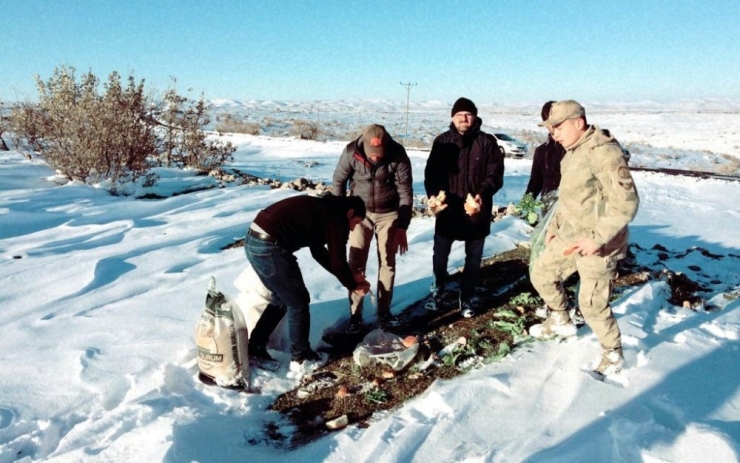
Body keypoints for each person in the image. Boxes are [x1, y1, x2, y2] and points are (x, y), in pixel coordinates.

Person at [528, 100, 639, 376]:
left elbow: (626, 203)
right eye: (551, 129)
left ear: (579, 122)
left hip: (598, 245)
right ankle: (560, 319)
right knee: (541, 273)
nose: (554, 133)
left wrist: (598, 239)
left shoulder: (604, 153)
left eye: (558, 126)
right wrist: (554, 225)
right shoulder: (573, 153)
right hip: (570, 236)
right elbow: (569, 199)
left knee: (591, 305)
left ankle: (613, 353)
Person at [244, 193, 371, 372]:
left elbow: (319, 253)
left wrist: (350, 278)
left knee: (282, 298)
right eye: (356, 223)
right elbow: (337, 261)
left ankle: (256, 346)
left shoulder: (324, 209)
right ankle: (301, 357)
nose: (352, 229)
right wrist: (354, 285)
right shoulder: (336, 218)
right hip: (269, 246)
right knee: (298, 301)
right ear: (350, 213)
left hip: (255, 241)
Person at [424, 97, 505, 318]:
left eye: (468, 114)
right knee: (440, 255)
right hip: (448, 210)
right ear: (452, 117)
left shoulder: (486, 142)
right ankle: (437, 291)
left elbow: (495, 174)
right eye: (459, 115)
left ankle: (467, 296)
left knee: (473, 257)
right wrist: (434, 195)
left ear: (475, 117)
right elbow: (431, 173)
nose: (464, 118)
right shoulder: (442, 141)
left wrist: (482, 194)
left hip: (476, 211)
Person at [332, 124, 413, 333]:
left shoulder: (398, 154)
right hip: (360, 214)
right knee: (356, 262)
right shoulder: (351, 152)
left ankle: (383, 312)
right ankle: (355, 315)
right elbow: (338, 182)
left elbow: (405, 192)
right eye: (372, 154)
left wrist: (402, 226)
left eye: (379, 154)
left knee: (387, 262)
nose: (376, 157)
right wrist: (341, 215)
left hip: (389, 213)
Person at [524, 100, 566, 214]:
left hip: (572, 209)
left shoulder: (575, 148)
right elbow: (535, 182)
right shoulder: (542, 151)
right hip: (548, 208)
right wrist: (526, 206)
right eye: (549, 120)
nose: (553, 124)